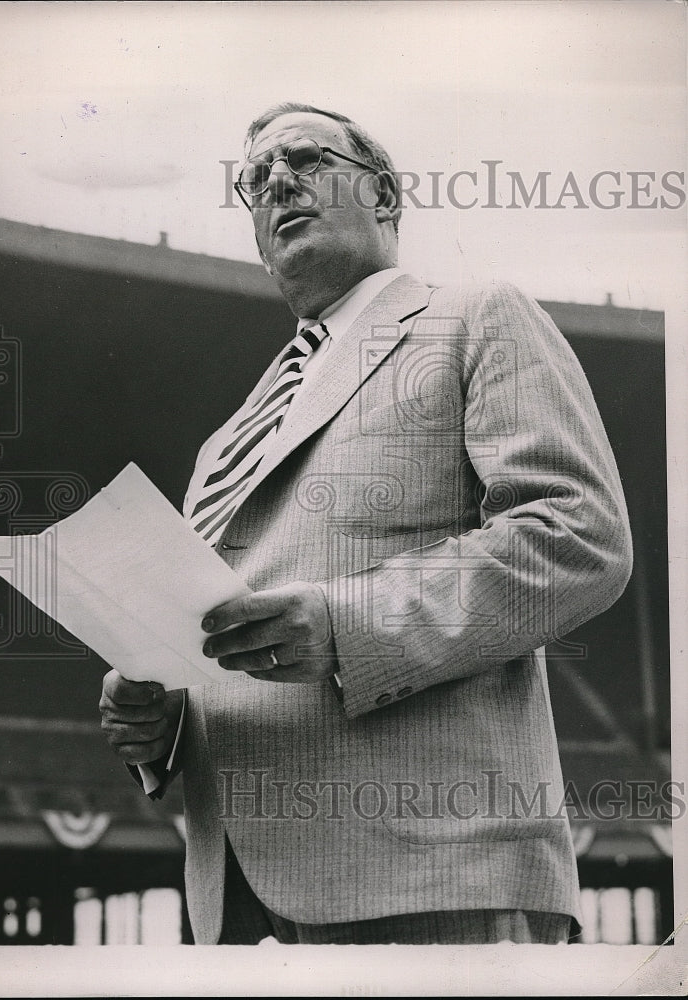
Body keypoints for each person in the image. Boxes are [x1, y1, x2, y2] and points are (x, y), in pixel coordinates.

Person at [99, 102, 633, 945]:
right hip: (232, 900)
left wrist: (350, 627)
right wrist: (159, 724)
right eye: (253, 181)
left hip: (426, 873)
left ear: (383, 195)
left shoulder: (476, 318)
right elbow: (207, 637)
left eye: (305, 158)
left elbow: (579, 535)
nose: (275, 183)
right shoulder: (224, 442)